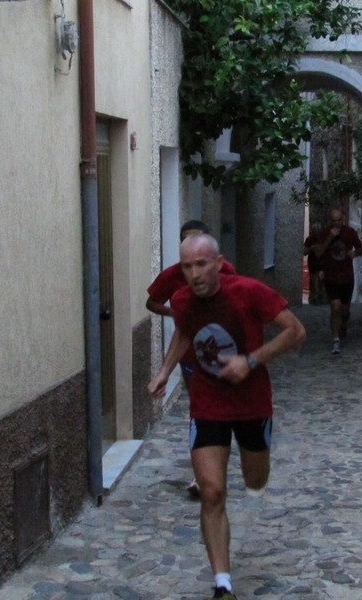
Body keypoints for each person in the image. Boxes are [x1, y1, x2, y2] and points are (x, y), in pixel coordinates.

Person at [148, 234, 306, 600]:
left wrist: (250, 360)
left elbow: (295, 331)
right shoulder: (183, 299)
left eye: (201, 265)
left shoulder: (248, 291)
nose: (193, 274)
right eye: (187, 267)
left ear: (218, 263)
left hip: (252, 402)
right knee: (212, 492)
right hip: (208, 402)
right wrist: (165, 371)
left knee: (255, 480)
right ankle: (223, 585)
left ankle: (257, 472)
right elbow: (185, 331)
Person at [146, 220, 236, 496]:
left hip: (220, 352)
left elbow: (236, 298)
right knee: (200, 409)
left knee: (218, 409)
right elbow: (151, 302)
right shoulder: (172, 275)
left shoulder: (225, 270)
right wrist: (176, 314)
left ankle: (214, 466)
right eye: (186, 240)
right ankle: (202, 475)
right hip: (188, 353)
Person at [312, 208, 362, 354]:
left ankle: (344, 325)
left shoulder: (350, 232)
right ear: (330, 221)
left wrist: (355, 253)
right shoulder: (324, 233)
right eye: (334, 221)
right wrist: (329, 238)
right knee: (335, 307)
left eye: (339, 220)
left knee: (344, 311)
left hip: (347, 277)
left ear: (343, 219)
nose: (337, 223)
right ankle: (336, 340)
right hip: (331, 277)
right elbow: (319, 252)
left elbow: (361, 249)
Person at [303, 223, 324, 304]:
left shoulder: (323, 238)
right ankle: (313, 296)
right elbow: (305, 252)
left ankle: (320, 294)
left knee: (321, 278)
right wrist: (311, 248)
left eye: (318, 231)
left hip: (321, 262)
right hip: (312, 262)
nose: (317, 233)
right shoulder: (309, 239)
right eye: (315, 231)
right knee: (312, 279)